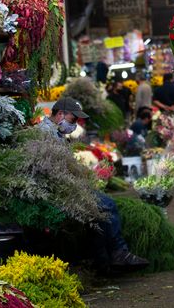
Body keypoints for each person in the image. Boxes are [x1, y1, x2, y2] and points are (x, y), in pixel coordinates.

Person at [37, 97, 149, 272]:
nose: (74, 124)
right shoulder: (44, 133)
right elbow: (48, 169)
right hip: (57, 192)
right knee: (107, 205)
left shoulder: (55, 132)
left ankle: (103, 262)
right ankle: (118, 254)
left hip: (66, 187)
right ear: (60, 114)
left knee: (100, 211)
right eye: (73, 120)